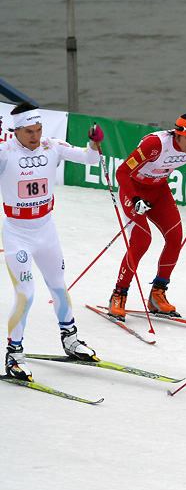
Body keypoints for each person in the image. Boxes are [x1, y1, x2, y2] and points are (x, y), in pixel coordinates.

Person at [1, 102, 103, 380]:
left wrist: (94, 145)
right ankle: (14, 355)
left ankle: (70, 339)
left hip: (46, 231)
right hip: (17, 234)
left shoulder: (51, 145)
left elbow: (90, 159)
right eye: (29, 131)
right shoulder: (5, 151)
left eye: (39, 129)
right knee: (26, 295)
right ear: (16, 130)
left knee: (58, 286)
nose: (35, 136)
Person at [107, 113, 186, 321]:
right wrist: (135, 198)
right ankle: (119, 294)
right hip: (133, 190)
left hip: (159, 190)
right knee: (142, 241)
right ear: (177, 135)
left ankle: (157, 294)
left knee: (174, 238)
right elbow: (122, 172)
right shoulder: (156, 144)